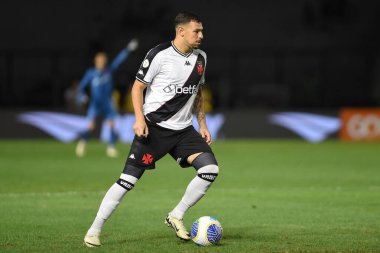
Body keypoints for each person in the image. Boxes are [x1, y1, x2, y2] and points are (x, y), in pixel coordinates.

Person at [83, 12, 219, 247]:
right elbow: (137, 88)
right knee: (127, 182)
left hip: (183, 131)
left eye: (202, 31)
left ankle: (176, 215)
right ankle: (94, 230)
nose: (201, 36)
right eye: (197, 31)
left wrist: (203, 124)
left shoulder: (201, 58)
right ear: (181, 31)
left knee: (210, 170)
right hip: (153, 130)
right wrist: (139, 119)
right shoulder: (159, 54)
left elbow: (197, 93)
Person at [76, 39, 139, 158]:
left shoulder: (108, 71)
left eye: (103, 60)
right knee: (91, 126)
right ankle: (82, 142)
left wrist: (128, 49)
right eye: (99, 60)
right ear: (95, 61)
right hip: (95, 104)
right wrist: (81, 96)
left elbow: (119, 60)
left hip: (107, 103)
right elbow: (82, 86)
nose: (101, 62)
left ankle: (111, 147)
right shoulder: (91, 73)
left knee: (111, 124)